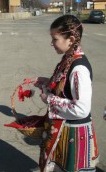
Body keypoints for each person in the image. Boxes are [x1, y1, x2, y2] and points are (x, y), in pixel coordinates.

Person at [34, 15, 99, 172]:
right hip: (63, 130)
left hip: (73, 134)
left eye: (55, 39)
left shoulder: (79, 68)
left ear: (70, 39)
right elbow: (65, 86)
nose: (51, 43)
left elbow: (81, 109)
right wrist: (48, 82)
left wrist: (49, 98)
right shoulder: (68, 59)